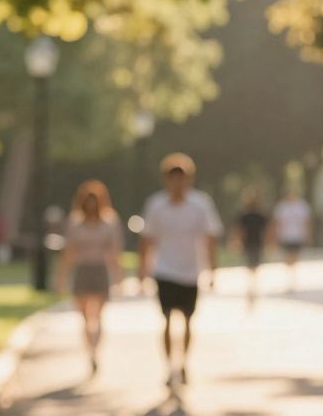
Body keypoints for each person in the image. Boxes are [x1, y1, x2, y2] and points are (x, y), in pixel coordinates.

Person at [137, 153, 223, 388]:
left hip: (190, 271)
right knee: (165, 319)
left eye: (182, 179)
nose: (178, 184)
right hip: (164, 270)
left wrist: (212, 270)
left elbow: (210, 237)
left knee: (187, 320)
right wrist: (142, 270)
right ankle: (168, 366)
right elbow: (147, 239)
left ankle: (183, 362)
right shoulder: (156, 205)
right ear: (167, 180)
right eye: (173, 179)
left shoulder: (200, 205)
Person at [56, 180, 123, 376]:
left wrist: (118, 275)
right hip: (83, 270)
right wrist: (61, 277)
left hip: (100, 270)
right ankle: (90, 350)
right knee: (86, 316)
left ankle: (96, 349)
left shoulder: (109, 221)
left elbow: (114, 251)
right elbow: (69, 252)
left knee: (99, 315)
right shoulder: (75, 222)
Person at [232, 189, 271, 308]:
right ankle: (251, 283)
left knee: (254, 265)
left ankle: (253, 283)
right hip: (249, 243)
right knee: (251, 264)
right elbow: (239, 230)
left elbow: (266, 230)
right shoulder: (244, 215)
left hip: (257, 242)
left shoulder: (260, 215)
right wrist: (237, 241)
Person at [272, 189, 312, 291]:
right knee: (287, 255)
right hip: (285, 235)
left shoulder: (302, 206)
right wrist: (276, 235)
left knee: (295, 254)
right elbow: (278, 222)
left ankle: (293, 274)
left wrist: (308, 234)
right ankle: (289, 272)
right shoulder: (282, 207)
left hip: (298, 235)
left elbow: (306, 221)